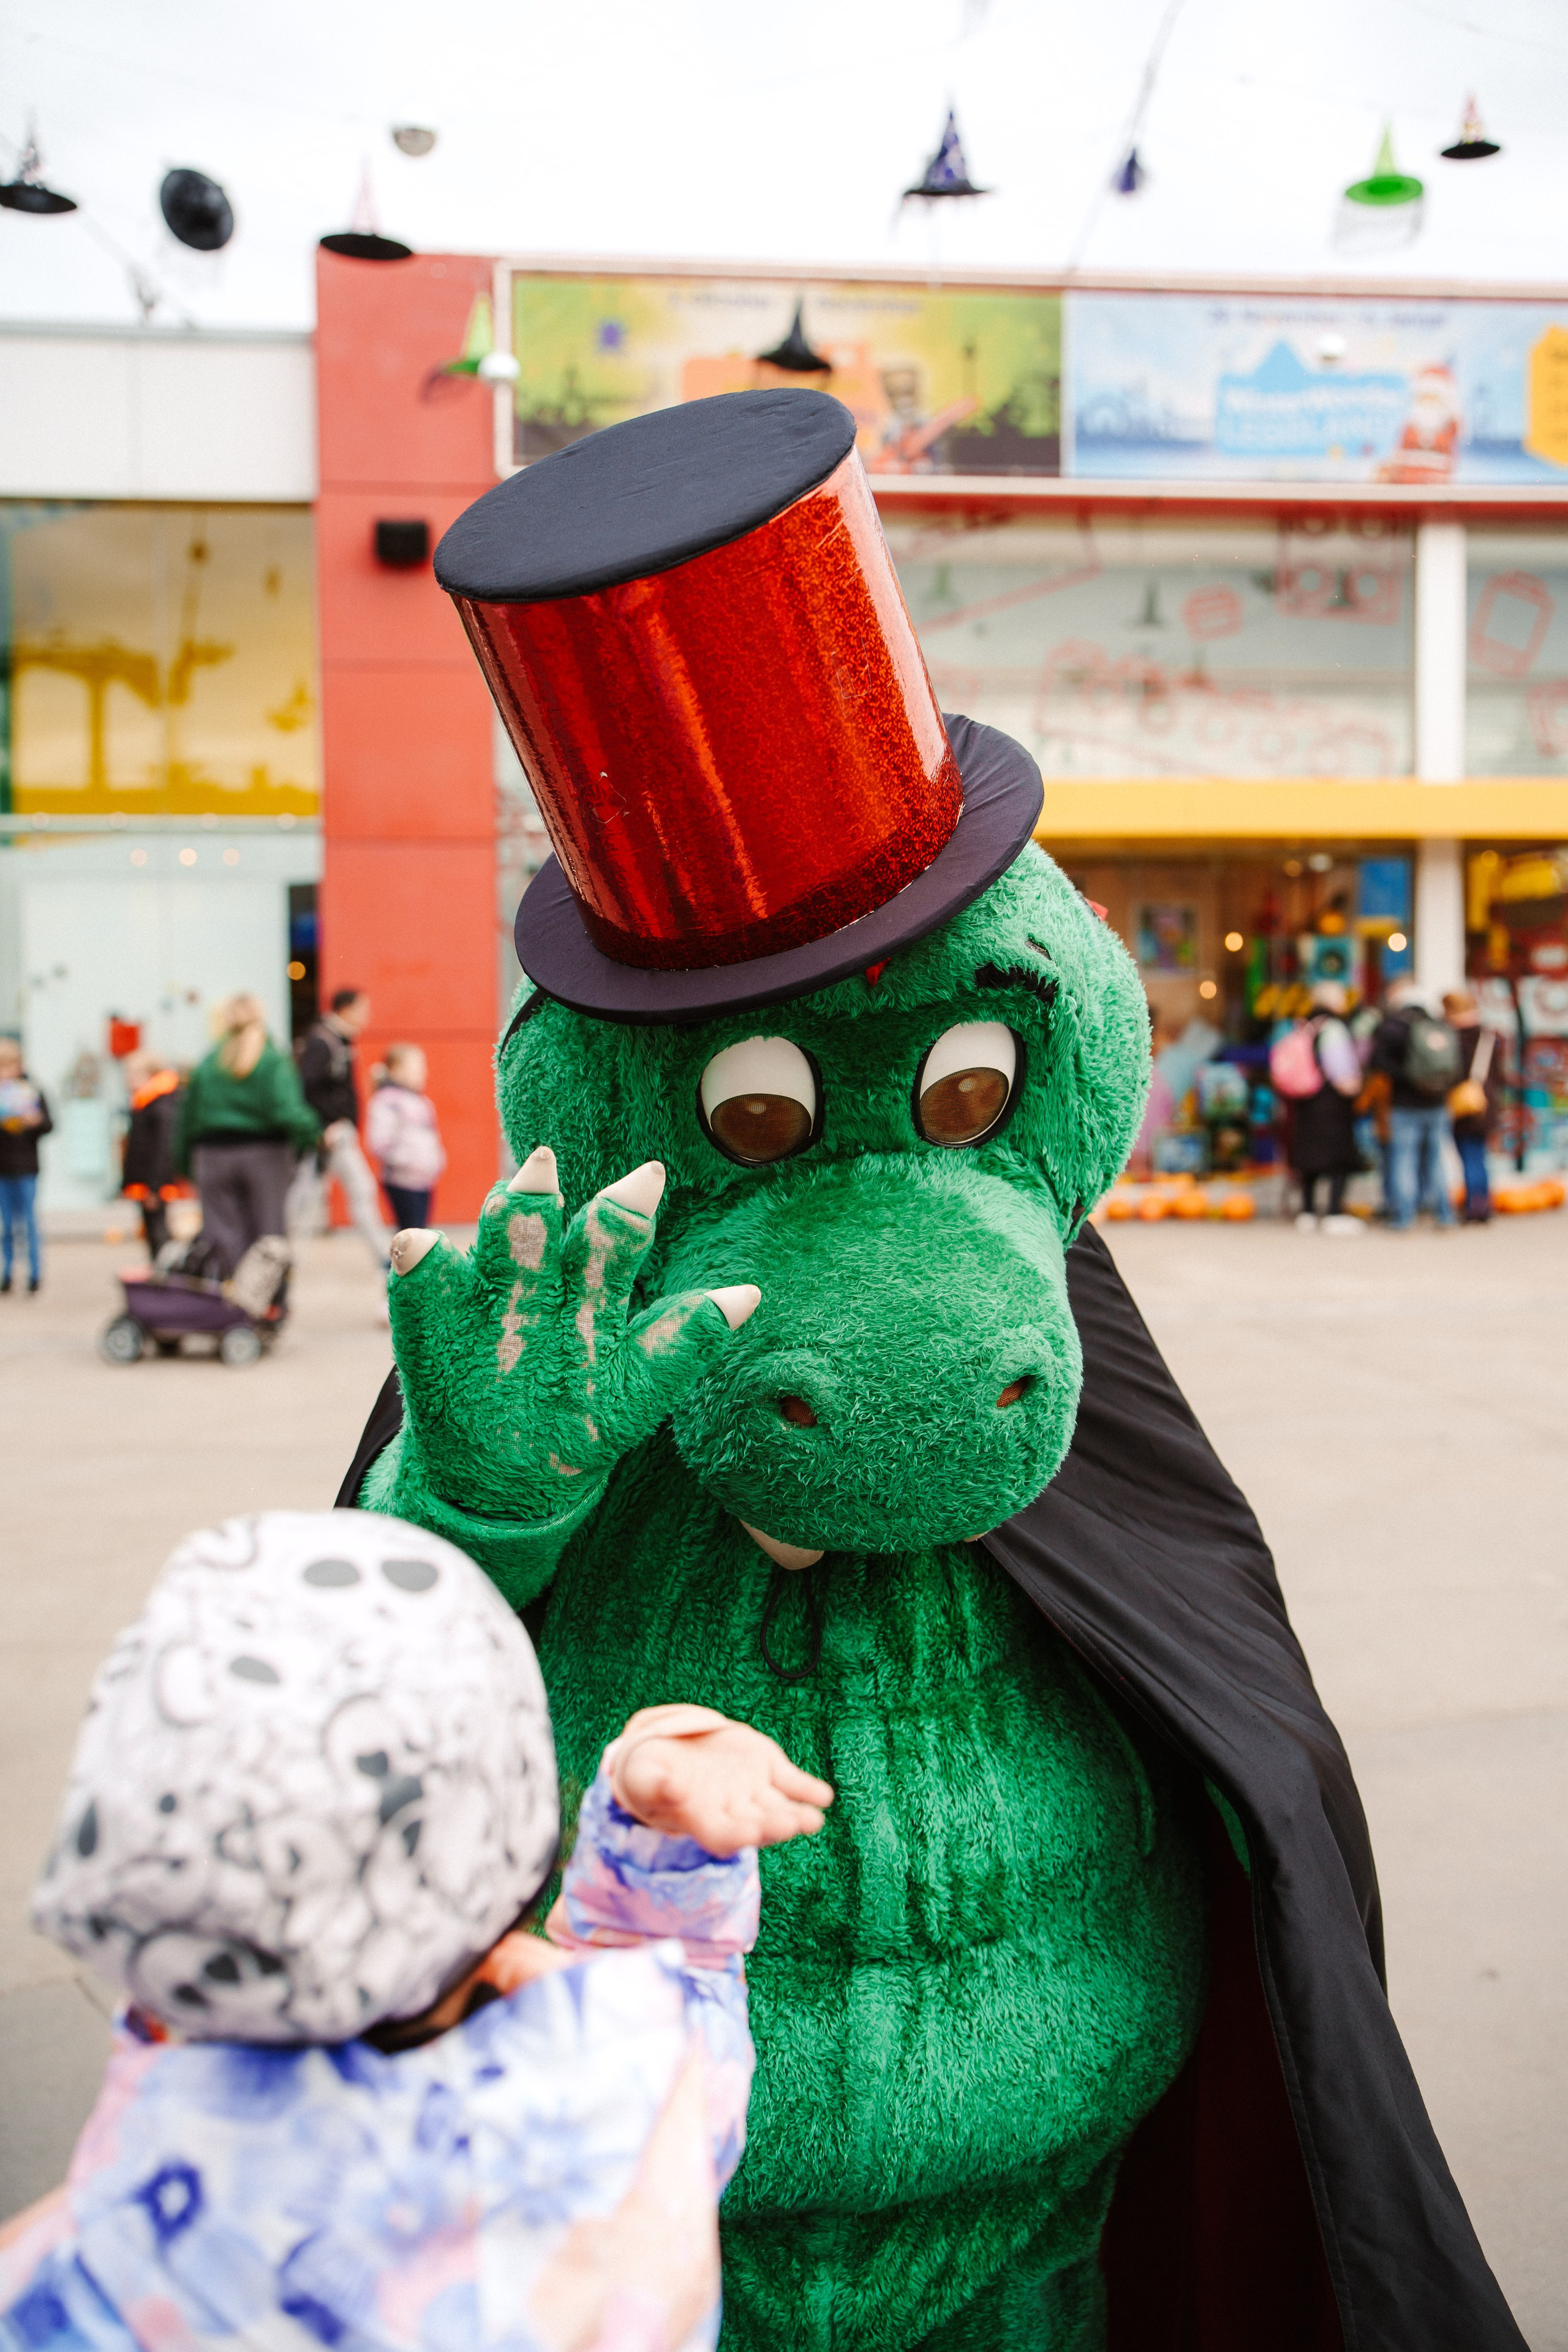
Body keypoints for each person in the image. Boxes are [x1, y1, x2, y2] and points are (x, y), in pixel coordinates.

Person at [2, 1508, 832, 2351]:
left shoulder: (124, 2212)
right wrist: (660, 1835)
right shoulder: (612, 2104)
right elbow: (688, 1998)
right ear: (507, 1858)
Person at [175, 995, 319, 1278]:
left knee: (221, 1234)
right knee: (269, 1235)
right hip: (265, 1156)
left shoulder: (208, 1064)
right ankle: (265, 1298)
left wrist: (183, 1165)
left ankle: (226, 1295)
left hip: (212, 1157)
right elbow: (287, 1112)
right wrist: (311, 1137)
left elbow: (186, 1121)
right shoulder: (273, 1062)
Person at [292, 987, 390, 1270]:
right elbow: (307, 1087)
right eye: (362, 1009)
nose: (366, 1016)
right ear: (346, 1009)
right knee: (352, 1191)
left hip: (334, 1135)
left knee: (308, 1195)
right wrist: (325, 1127)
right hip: (332, 1136)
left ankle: (287, 1257)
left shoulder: (335, 1040)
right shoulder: (323, 1042)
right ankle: (383, 1256)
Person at [1370, 981, 1460, 1232]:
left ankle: (1404, 1217)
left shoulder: (1392, 1028)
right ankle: (1445, 1214)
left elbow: (1378, 1063)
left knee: (1403, 1160)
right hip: (1437, 1104)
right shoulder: (1439, 1027)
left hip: (1404, 1105)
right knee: (1435, 1160)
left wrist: (1408, 1078)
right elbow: (1455, 1068)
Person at [1285, 982, 1365, 1236]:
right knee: (1338, 1158)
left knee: (1309, 1156)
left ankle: (1307, 1212)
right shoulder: (1334, 1027)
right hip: (1330, 1102)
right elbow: (1340, 1069)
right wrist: (1353, 1087)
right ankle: (1333, 1212)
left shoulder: (1305, 1025)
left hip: (1306, 1098)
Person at [365, 1041, 447, 1229]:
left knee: (422, 1232)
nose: (422, 1073)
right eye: (415, 1069)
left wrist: (436, 1161)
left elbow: (429, 1137)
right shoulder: (388, 1102)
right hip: (401, 1181)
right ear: (396, 1070)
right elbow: (379, 1143)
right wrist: (409, 1162)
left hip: (424, 1180)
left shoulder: (421, 1102)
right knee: (411, 1233)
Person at [119, 1050, 184, 1261]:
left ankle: (165, 1272)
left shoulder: (160, 1105)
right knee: (152, 1232)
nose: (128, 1079)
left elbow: (163, 1150)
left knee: (159, 1232)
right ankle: (160, 1270)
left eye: (132, 1074)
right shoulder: (144, 1102)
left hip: (154, 1185)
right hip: (146, 1184)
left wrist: (155, 1188)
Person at [0, 1036, 51, 1296]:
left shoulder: (32, 1090)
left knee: (30, 1222)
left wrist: (35, 1122)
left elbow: (49, 1124)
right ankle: (7, 1272)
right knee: (6, 1224)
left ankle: (34, 1274)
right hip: (3, 1168)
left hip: (26, 1166)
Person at [1444, 989, 1498, 1224]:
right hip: (1485, 1103)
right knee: (1479, 1156)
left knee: (1469, 1156)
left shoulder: (1452, 1038)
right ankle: (1483, 1205)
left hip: (1464, 1105)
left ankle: (1473, 1208)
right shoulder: (1489, 1036)